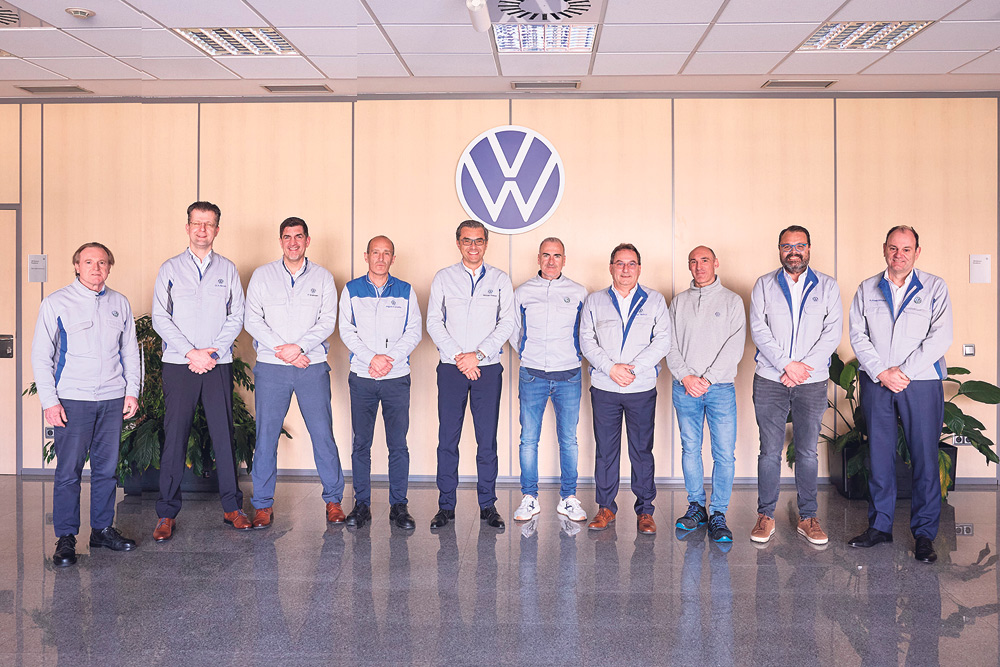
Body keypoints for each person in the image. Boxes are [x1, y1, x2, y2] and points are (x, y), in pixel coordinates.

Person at [847, 226, 952, 564]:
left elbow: (941, 336)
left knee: (924, 458)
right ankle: (880, 527)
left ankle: (924, 535)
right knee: (879, 457)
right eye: (893, 248)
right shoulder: (867, 288)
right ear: (884, 249)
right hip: (877, 381)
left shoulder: (934, 287)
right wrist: (881, 372)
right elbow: (857, 335)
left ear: (917, 252)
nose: (899, 255)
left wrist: (903, 372)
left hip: (920, 382)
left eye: (907, 249)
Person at [31, 242, 141, 566]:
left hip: (112, 398)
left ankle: (102, 530)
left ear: (109, 267)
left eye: (102, 262)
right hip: (73, 399)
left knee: (107, 470)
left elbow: (130, 352)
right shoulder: (56, 303)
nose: (96, 268)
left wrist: (132, 391)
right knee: (69, 471)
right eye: (89, 262)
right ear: (77, 266)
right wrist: (50, 402)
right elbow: (41, 356)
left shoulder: (120, 303)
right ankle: (66, 537)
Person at [151, 201, 248, 540]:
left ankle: (232, 508)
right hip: (180, 364)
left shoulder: (228, 269)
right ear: (187, 227)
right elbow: (160, 317)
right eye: (197, 223)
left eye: (209, 224)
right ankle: (166, 513)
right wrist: (191, 352)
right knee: (175, 436)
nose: (202, 229)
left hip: (217, 363)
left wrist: (213, 352)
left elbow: (237, 315)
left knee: (224, 435)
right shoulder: (170, 269)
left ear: (217, 229)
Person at [244, 217, 346, 529]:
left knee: (323, 434)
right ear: (280, 241)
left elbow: (327, 320)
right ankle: (263, 504)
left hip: (310, 367)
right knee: (265, 437)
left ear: (307, 240)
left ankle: (333, 501)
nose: (293, 242)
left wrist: (299, 348)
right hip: (271, 368)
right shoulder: (262, 276)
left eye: (298, 236)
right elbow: (252, 319)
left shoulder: (323, 277)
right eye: (287, 237)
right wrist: (283, 350)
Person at [749, 225, 842, 546]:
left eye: (799, 245)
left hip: (811, 381)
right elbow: (759, 329)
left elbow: (832, 333)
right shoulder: (764, 285)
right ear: (779, 249)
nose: (793, 251)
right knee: (769, 451)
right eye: (787, 246)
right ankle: (765, 515)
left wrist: (801, 369)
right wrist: (786, 365)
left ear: (809, 248)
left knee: (807, 451)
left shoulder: (828, 286)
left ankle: (808, 518)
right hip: (770, 379)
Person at [426, 220, 515, 530]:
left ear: (486, 244)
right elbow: (434, 322)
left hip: (486, 369)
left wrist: (476, 356)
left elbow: (507, 323)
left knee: (486, 440)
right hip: (451, 369)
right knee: (447, 439)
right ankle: (445, 506)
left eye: (478, 241)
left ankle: (488, 505)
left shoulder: (500, 280)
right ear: (458, 243)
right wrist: (459, 357)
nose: (473, 246)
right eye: (467, 240)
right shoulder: (443, 278)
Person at [580, 243, 671, 535]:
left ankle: (645, 511)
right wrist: (610, 368)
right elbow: (586, 340)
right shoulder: (595, 301)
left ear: (639, 269)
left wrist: (633, 369)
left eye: (631, 264)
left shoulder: (655, 300)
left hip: (640, 387)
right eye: (620, 263)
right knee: (606, 450)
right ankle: (606, 508)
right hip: (605, 387)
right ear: (611, 268)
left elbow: (662, 340)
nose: (625, 269)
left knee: (641, 451)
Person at [339, 235, 422, 530]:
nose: (381, 258)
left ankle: (399, 506)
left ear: (393, 258)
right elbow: (346, 330)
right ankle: (361, 505)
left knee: (398, 445)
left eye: (386, 253)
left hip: (396, 378)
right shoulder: (351, 290)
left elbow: (414, 331)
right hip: (362, 378)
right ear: (366, 256)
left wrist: (389, 359)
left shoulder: (405, 291)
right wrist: (372, 358)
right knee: (361, 444)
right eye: (376, 252)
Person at [666, 246, 746, 543]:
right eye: (693, 262)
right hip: (684, 388)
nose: (699, 266)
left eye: (704, 261)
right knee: (690, 449)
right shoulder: (678, 302)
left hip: (720, 389)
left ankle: (719, 513)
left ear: (715, 263)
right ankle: (696, 507)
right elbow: (668, 344)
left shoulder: (732, 301)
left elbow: (734, 347)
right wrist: (686, 377)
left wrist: (707, 379)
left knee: (724, 454)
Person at [509, 238, 588, 523]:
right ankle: (529, 497)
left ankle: (568, 498)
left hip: (569, 375)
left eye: (556, 256)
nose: (551, 261)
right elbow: (514, 330)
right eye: (546, 255)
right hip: (533, 375)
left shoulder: (578, 292)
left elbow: (585, 331)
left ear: (564, 260)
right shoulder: (523, 292)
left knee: (569, 440)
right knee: (528, 439)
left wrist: (573, 355)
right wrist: (528, 354)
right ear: (538, 258)